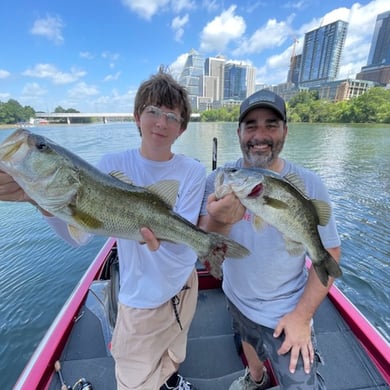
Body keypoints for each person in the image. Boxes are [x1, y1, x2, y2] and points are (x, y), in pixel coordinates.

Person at [0, 70, 205, 390]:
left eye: (171, 116)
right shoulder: (112, 163)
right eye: (152, 111)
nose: (161, 122)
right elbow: (77, 236)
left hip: (185, 285)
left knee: (176, 352)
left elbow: (185, 245)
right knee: (133, 380)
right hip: (142, 300)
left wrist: (167, 242)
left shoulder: (192, 171)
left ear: (182, 127)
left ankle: (170, 379)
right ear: (138, 117)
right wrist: (39, 201)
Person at [198, 89, 341, 390]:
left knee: (302, 383)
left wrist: (302, 317)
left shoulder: (311, 183)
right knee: (247, 339)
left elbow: (330, 252)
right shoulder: (219, 180)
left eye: (271, 125)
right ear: (238, 132)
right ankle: (257, 377)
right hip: (237, 299)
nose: (259, 135)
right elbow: (207, 252)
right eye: (251, 125)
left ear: (285, 131)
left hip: (286, 310)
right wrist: (221, 220)